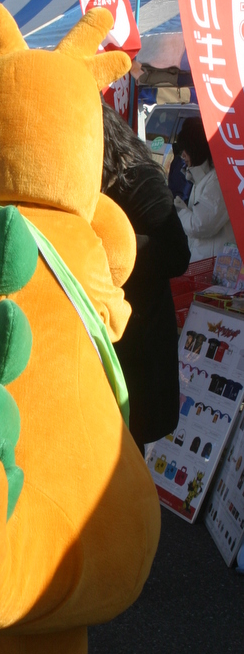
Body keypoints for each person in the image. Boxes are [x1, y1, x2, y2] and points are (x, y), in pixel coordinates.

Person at [101, 102, 191, 454]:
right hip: (108, 337)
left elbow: (176, 254)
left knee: (127, 450)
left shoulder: (139, 179)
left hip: (140, 342)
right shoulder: (90, 183)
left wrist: (114, 243)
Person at [173, 116, 236, 262]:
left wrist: (180, 210)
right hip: (206, 260)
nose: (183, 155)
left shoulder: (217, 181)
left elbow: (200, 225)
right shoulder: (202, 178)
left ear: (196, 149)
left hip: (216, 265)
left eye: (186, 150)